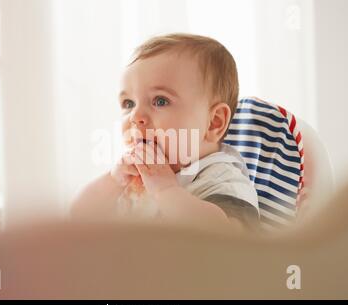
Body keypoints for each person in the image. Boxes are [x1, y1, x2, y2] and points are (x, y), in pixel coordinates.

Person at [70, 34, 259, 233]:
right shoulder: (132, 177)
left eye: (160, 101)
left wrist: (166, 190)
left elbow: (230, 241)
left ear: (214, 122)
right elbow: (79, 215)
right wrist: (113, 180)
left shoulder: (221, 179)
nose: (136, 116)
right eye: (129, 104)